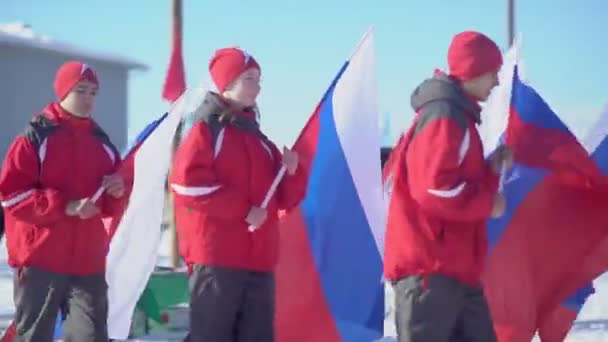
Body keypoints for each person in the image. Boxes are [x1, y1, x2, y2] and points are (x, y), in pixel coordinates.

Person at [170, 47, 308, 342]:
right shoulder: (206, 129)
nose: (257, 86)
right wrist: (243, 210)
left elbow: (284, 198)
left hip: (259, 260)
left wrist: (293, 172)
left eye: (259, 79)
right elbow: (187, 184)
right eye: (250, 78)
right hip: (217, 258)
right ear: (227, 81)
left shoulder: (259, 140)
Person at [383, 31, 513, 342]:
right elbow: (432, 189)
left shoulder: (458, 117)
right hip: (430, 270)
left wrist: (490, 170)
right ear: (473, 70)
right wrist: (488, 203)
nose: (496, 83)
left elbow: (453, 182)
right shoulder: (444, 116)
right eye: (493, 73)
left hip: (453, 270)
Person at [0, 61, 127, 342]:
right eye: (81, 90)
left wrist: (117, 193)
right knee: (33, 336)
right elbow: (11, 196)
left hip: (88, 261)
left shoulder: (102, 143)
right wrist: (66, 206)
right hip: (40, 258)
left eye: (94, 92)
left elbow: (112, 204)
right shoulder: (35, 137)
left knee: (91, 336)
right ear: (63, 91)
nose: (89, 98)